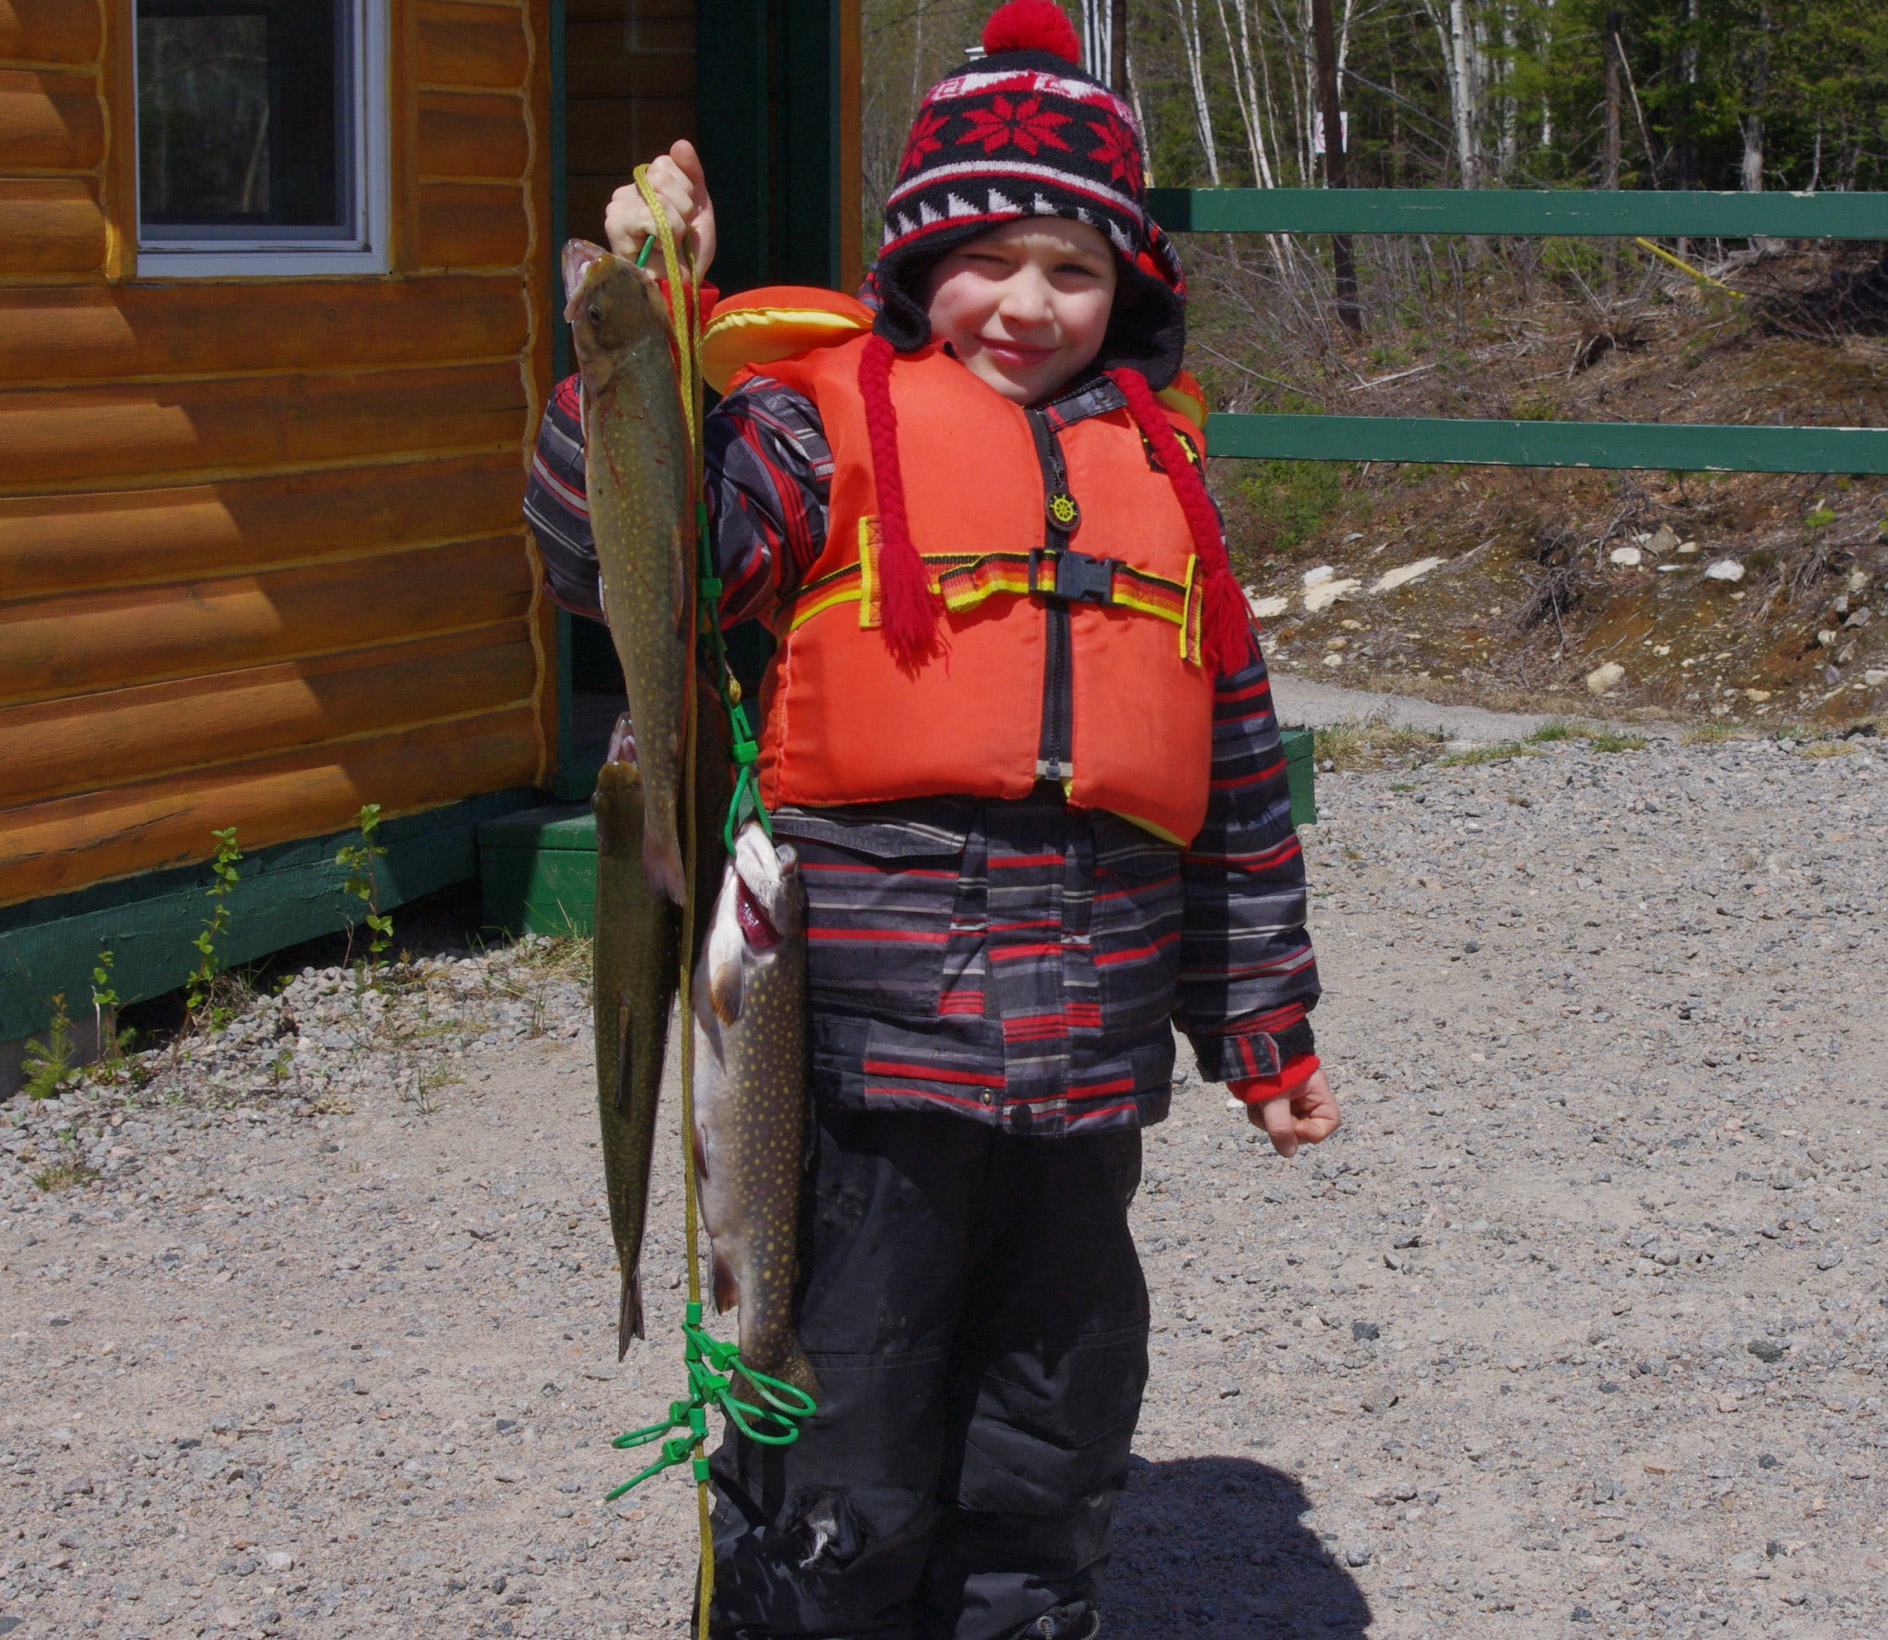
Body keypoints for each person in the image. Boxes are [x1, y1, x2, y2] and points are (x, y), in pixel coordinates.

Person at [534, 5, 1338, 1634]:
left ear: (1129, 289)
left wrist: (1263, 1027)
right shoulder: (812, 424)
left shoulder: (1167, 477)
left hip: (1089, 1080)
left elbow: (1235, 781)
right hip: (860, 1073)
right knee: (848, 1433)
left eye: (1073, 268)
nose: (1027, 304)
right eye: (987, 258)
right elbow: (634, 559)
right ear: (916, 267)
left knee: (1053, 1436)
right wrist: (640, 325)